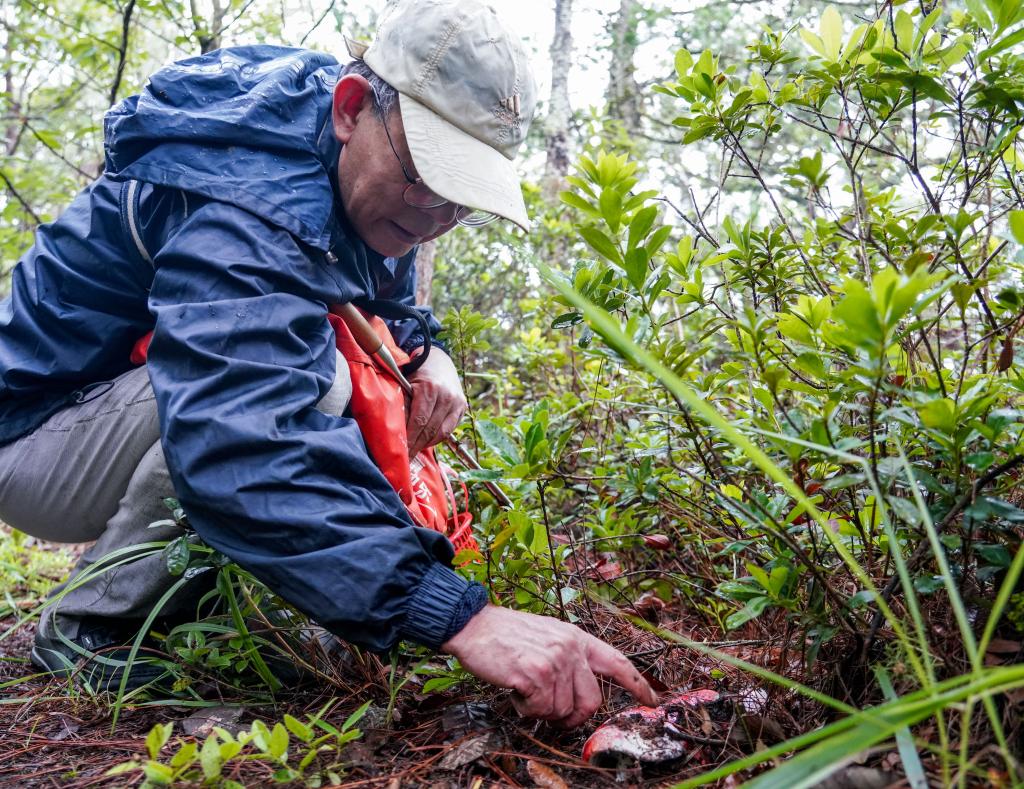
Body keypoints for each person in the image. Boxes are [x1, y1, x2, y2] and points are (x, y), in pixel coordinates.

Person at [0, 0, 656, 727]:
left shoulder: (347, 169)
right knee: (315, 378)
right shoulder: (243, 196)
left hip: (103, 419)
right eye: (424, 174)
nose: (435, 213)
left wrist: (433, 352)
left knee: (339, 375)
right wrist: (456, 616)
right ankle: (91, 626)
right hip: (28, 438)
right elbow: (240, 434)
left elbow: (385, 302)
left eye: (461, 197)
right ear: (350, 109)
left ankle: (189, 608)